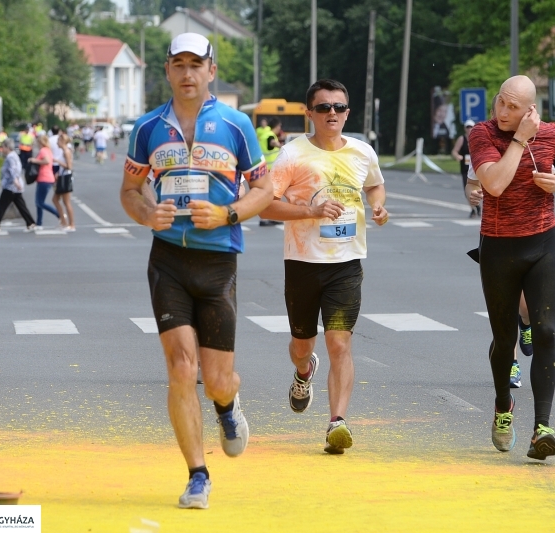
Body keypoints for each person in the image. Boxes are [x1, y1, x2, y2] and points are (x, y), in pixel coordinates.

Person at [120, 32, 272, 510]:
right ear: (167, 70)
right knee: (182, 368)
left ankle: (227, 404)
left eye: (196, 64)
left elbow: (265, 189)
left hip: (218, 261)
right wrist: (148, 214)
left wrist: (228, 213)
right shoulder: (147, 127)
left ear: (211, 70)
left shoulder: (236, 124)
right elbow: (129, 191)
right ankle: (197, 475)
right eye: (179, 64)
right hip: (168, 260)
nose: (187, 73)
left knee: (218, 379)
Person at [259, 78, 388, 455]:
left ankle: (337, 422)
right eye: (324, 107)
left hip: (346, 264)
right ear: (310, 114)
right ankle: (303, 371)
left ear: (347, 112)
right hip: (303, 263)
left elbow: (374, 185)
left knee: (339, 342)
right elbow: (266, 206)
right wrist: (310, 211)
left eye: (339, 107)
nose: (332, 113)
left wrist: (378, 206)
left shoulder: (362, 152)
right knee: (303, 346)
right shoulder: (292, 154)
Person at [469, 75, 555, 460]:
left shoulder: (552, 135)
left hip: (543, 244)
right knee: (505, 340)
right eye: (500, 102)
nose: (503, 111)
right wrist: (520, 139)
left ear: (530, 109)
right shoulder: (482, 134)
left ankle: (542, 429)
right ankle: (503, 405)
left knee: (546, 331)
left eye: (513, 107)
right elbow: (494, 184)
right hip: (498, 247)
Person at [0, 138, 36, 231]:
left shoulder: (10, 157)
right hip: (13, 185)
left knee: (2, 205)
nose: (2, 149)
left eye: (3, 147)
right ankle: (30, 222)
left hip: (11, 185)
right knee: (20, 205)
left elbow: (13, 169)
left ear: (7, 147)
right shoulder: (13, 155)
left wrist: (15, 181)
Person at [28, 134, 60, 230]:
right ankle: (39, 223)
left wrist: (34, 160)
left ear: (41, 142)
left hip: (44, 178)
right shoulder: (48, 150)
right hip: (44, 178)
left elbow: (46, 161)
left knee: (40, 202)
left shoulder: (43, 150)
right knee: (38, 202)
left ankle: (59, 215)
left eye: (38, 142)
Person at [257, 117, 284, 227]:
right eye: (279, 126)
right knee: (271, 194)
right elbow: (272, 143)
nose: (280, 128)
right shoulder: (270, 135)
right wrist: (282, 146)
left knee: (270, 194)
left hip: (265, 169)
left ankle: (270, 217)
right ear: (276, 126)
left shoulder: (264, 134)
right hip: (270, 170)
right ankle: (267, 218)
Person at [452, 119, 479, 218]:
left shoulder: (477, 138)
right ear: (465, 128)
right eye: (467, 127)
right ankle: (473, 209)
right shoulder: (461, 139)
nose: (469, 129)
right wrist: (457, 156)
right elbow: (454, 151)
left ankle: (477, 206)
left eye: (471, 127)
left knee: (477, 189)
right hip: (465, 168)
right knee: (467, 190)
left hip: (476, 167)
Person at [52, 133, 75, 231]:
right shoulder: (63, 151)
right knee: (55, 199)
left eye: (58, 141)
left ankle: (71, 224)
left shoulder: (66, 151)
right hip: (62, 176)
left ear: (62, 141)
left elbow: (69, 166)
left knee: (66, 202)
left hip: (66, 177)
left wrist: (58, 161)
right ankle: (63, 221)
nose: (57, 143)